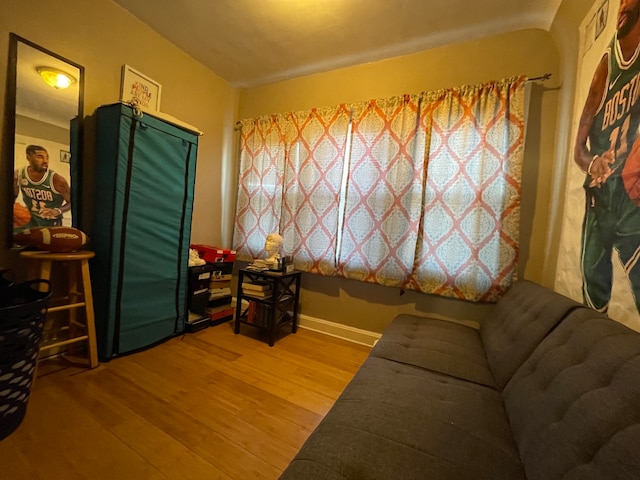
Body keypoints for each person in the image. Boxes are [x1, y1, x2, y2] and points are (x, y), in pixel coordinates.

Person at [573, 0, 640, 313]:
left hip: (631, 195)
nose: (623, 4)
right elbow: (578, 151)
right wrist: (592, 163)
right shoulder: (607, 65)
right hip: (602, 195)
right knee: (593, 287)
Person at [13, 145, 71, 232]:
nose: (45, 161)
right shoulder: (20, 174)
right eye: (40, 157)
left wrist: (58, 211)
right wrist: (14, 183)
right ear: (28, 157)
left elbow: (72, 202)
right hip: (30, 220)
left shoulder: (57, 180)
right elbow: (13, 196)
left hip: (51, 223)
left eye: (47, 157)